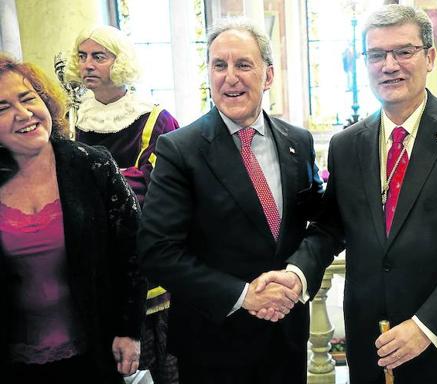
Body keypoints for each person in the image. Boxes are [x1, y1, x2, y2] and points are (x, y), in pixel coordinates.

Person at [255, 4, 437, 383]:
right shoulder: (347, 144)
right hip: (372, 342)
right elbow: (330, 227)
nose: (389, 65)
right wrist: (297, 275)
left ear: (430, 56)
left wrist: (426, 326)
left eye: (403, 51)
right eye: (377, 54)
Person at [137, 18, 324, 384]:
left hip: (286, 337)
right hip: (214, 343)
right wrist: (243, 295)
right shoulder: (180, 149)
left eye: (243, 64)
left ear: (268, 76)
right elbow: (157, 251)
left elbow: (323, 223)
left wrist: (298, 276)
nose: (230, 77)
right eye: (219, 65)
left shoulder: (297, 142)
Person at [0, 54, 146, 383]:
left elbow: (133, 251)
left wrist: (129, 330)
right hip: (14, 361)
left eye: (27, 98)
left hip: (94, 349)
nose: (23, 114)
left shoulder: (92, 165)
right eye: (2, 108)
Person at [66, 25, 179, 384]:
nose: (87, 65)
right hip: (88, 264)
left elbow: (159, 190)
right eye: (82, 56)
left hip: (146, 262)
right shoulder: (67, 119)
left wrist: (96, 185)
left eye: (99, 56)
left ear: (121, 61)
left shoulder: (154, 119)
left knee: (160, 368)